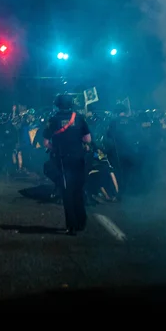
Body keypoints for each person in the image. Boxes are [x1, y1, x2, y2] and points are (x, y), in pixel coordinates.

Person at [42, 94, 92, 236]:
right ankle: (82, 222)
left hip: (62, 160)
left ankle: (72, 226)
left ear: (57, 104)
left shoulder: (52, 120)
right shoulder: (79, 117)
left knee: (67, 192)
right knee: (78, 190)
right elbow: (87, 139)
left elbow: (46, 142)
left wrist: (55, 148)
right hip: (79, 159)